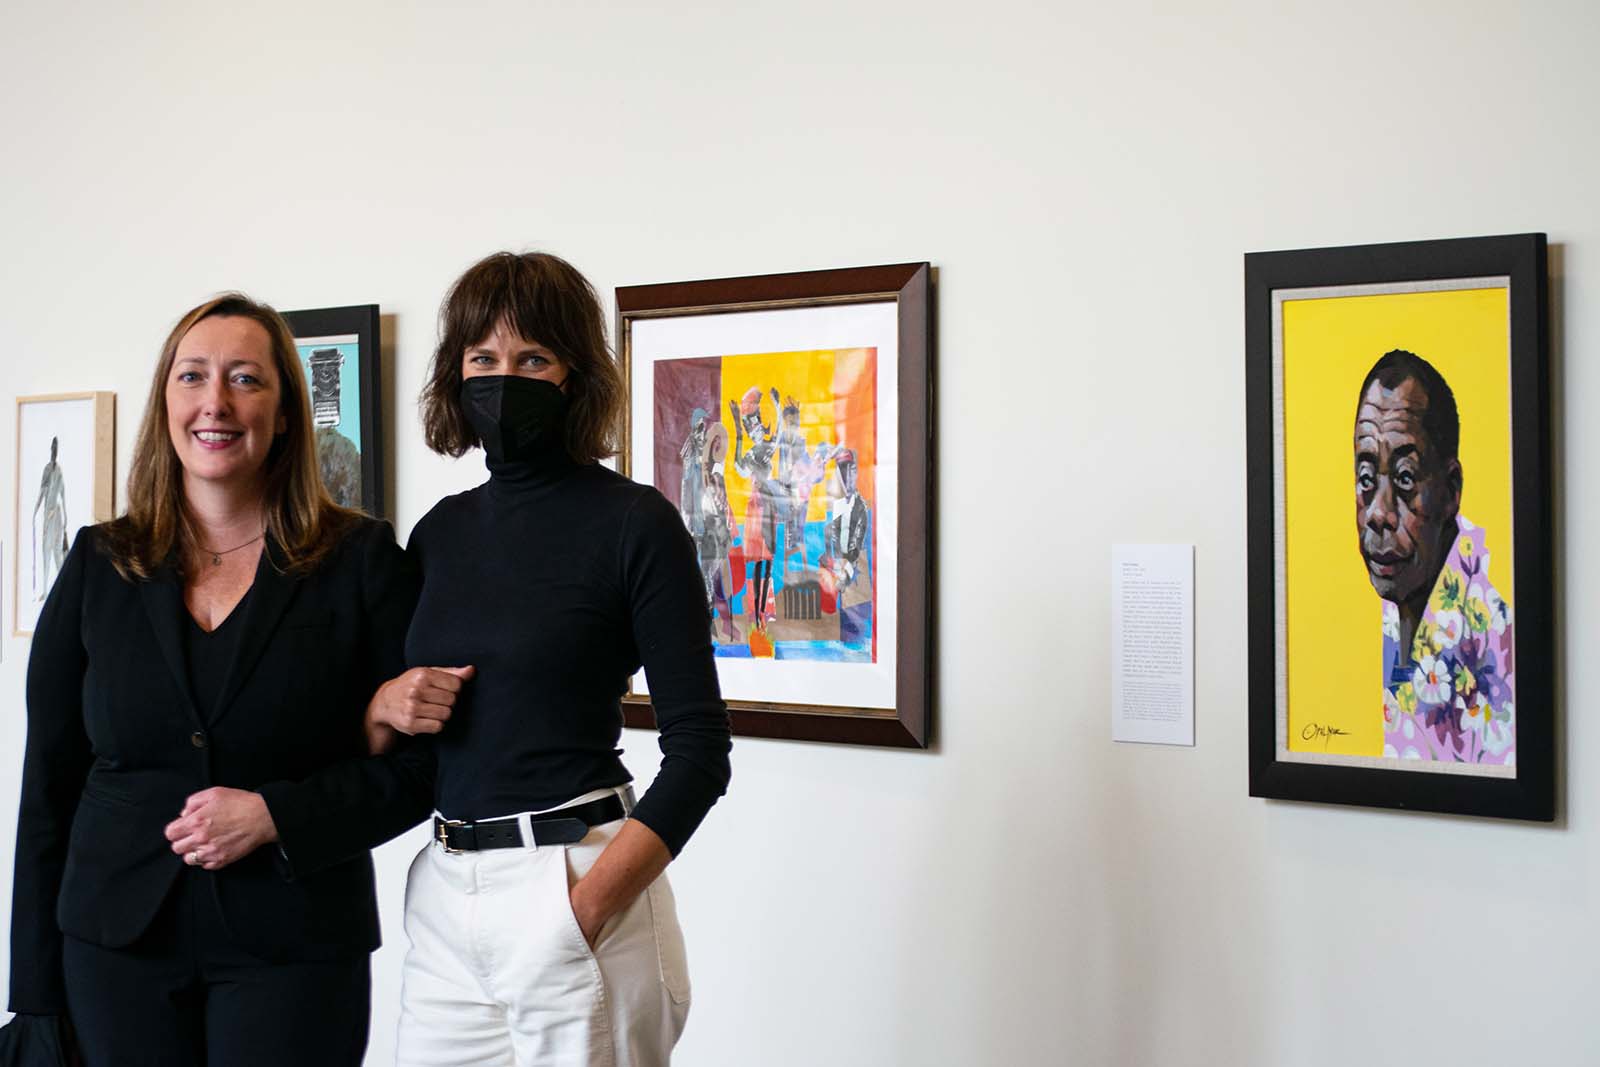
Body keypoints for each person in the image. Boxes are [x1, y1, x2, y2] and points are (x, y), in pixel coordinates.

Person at [7, 294, 433, 1065]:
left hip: (297, 946)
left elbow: (421, 770)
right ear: (165, 401)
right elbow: (48, 786)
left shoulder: (361, 561)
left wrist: (279, 813)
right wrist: (31, 993)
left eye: (246, 379)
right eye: (193, 376)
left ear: (285, 412)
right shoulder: (98, 564)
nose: (216, 402)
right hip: (111, 949)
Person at [367, 251, 732, 1067]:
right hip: (443, 894)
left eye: (533, 358)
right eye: (483, 359)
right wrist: (381, 704)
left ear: (573, 376)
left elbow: (702, 753)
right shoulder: (438, 534)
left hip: (574, 884)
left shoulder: (637, 524)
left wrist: (585, 905)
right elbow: (411, 730)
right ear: (455, 376)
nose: (505, 379)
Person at [1353, 349, 1515, 763]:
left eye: (1406, 478)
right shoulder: (1400, 601)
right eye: (1366, 479)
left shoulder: (1498, 656)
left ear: (1451, 490)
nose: (1378, 514)